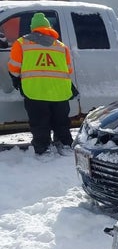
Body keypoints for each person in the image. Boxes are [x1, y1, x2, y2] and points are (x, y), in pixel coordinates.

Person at [7, 12, 77, 155]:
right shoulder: (61, 46)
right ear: (48, 28)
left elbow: (14, 68)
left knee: (40, 123)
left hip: (35, 91)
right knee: (61, 122)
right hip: (60, 91)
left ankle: (43, 149)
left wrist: (18, 78)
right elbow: (69, 69)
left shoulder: (21, 43)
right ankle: (64, 144)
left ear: (33, 28)